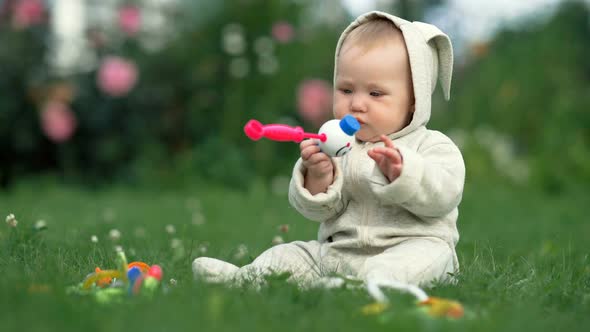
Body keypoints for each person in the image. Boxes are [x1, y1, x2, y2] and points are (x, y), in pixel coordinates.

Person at [192, 11, 465, 287]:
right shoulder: (337, 147)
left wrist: (405, 173)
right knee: (290, 255)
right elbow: (319, 212)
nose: (357, 104)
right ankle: (248, 277)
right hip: (340, 252)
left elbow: (445, 195)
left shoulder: (432, 146)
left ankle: (370, 286)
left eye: (375, 94)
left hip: (411, 247)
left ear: (414, 101)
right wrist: (318, 178)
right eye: (346, 90)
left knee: (411, 264)